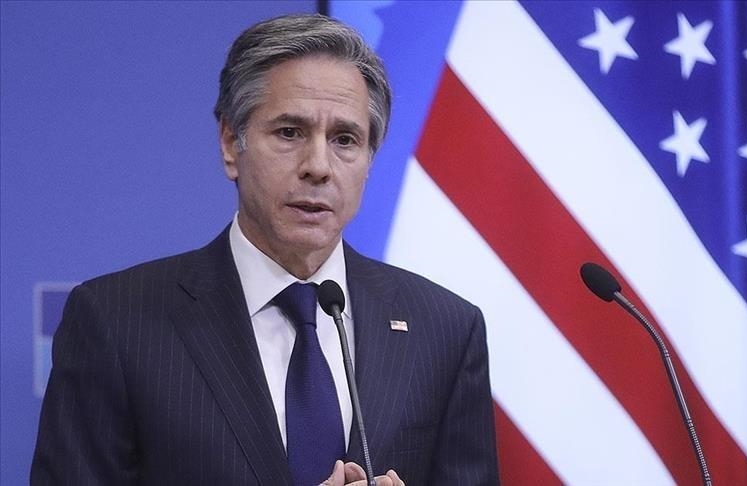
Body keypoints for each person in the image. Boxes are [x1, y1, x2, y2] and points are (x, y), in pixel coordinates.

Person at [31, 13, 499, 485]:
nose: (318, 166)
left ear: (369, 160)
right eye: (289, 132)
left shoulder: (444, 331)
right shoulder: (117, 322)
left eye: (345, 139)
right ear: (231, 143)